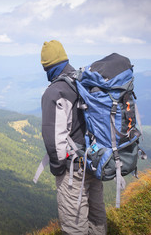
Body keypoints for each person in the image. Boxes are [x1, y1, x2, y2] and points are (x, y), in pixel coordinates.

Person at [40, 40, 107, 234]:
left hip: (73, 169)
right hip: (95, 160)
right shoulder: (83, 81)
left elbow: (53, 138)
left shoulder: (55, 91)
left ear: (46, 66)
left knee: (74, 226)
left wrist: (58, 169)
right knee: (97, 219)